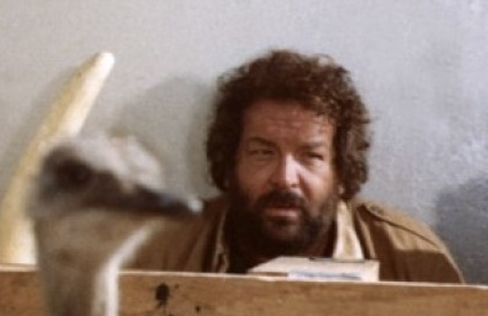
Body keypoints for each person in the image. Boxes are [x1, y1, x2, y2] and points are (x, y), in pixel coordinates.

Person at [127, 49, 464, 283]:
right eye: (263, 153)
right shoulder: (157, 253)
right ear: (229, 163)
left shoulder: (411, 261)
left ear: (342, 172)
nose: (285, 178)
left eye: (310, 156)